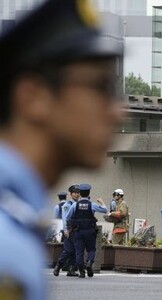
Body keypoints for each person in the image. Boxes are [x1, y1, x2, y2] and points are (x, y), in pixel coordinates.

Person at [0, 0, 123, 297]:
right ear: (34, 97)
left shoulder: (17, 216)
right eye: (101, 87)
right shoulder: (8, 252)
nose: (119, 112)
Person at [66, 184, 107, 278]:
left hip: (78, 232)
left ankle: (81, 271)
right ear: (89, 193)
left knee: (79, 252)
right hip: (90, 231)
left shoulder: (75, 205)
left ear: (80, 193)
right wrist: (102, 202)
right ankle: (89, 262)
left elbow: (68, 217)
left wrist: (68, 229)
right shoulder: (92, 205)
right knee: (91, 249)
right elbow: (105, 210)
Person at [53, 184, 81, 277]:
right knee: (68, 250)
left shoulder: (80, 204)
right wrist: (66, 230)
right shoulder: (67, 205)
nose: (77, 195)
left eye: (78, 193)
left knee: (75, 251)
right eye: (75, 193)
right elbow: (65, 218)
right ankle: (58, 266)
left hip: (77, 231)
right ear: (71, 194)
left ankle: (71, 269)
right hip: (69, 231)